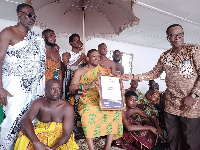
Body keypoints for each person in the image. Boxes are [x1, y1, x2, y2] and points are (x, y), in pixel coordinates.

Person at [123, 24, 200, 150]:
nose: (177, 38)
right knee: (174, 137)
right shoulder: (165, 56)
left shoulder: (194, 50)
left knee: (190, 139)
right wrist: (133, 76)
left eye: (180, 34)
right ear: (168, 38)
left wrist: (193, 95)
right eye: (173, 35)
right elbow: (153, 73)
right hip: (171, 104)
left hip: (190, 104)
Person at [0, 3, 46, 149]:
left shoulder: (36, 38)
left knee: (31, 119)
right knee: (12, 119)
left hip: (34, 89)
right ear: (19, 14)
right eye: (29, 14)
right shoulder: (8, 32)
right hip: (13, 86)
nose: (32, 18)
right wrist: (0, 88)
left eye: (34, 16)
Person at [69, 49, 123, 150]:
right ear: (88, 58)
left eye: (98, 56)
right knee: (88, 111)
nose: (97, 58)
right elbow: (72, 88)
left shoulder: (102, 71)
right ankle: (91, 148)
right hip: (85, 99)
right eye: (94, 56)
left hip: (100, 99)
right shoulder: (80, 71)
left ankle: (107, 147)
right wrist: (88, 85)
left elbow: (109, 85)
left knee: (115, 111)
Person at [14, 79, 79, 150]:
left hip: (59, 138)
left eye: (58, 88)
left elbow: (67, 134)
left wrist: (52, 148)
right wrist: (36, 143)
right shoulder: (39, 103)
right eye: (53, 88)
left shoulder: (67, 107)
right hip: (41, 132)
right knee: (23, 135)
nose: (56, 91)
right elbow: (25, 119)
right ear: (46, 90)